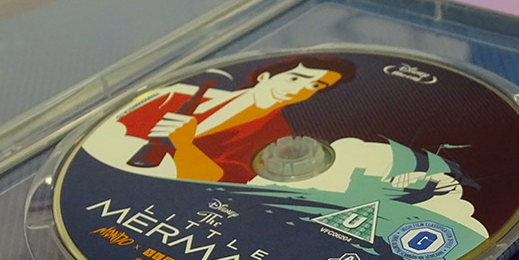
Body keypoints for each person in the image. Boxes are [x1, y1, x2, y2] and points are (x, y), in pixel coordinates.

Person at [81, 55, 355, 183]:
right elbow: (104, 137)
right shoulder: (180, 94)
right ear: (265, 76)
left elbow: (220, 187)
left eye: (315, 86)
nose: (302, 89)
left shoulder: (277, 139)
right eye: (295, 78)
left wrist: (184, 147)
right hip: (102, 181)